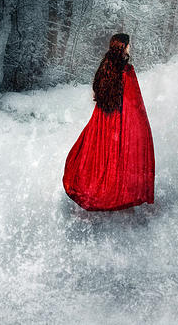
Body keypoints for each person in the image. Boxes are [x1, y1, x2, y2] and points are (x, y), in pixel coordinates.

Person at [62, 32, 155, 211]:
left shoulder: (104, 68)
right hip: (119, 121)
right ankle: (116, 193)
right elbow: (134, 104)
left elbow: (97, 93)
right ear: (123, 47)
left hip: (103, 121)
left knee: (100, 157)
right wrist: (139, 129)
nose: (130, 47)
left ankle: (100, 190)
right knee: (117, 157)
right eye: (129, 44)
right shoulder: (127, 72)